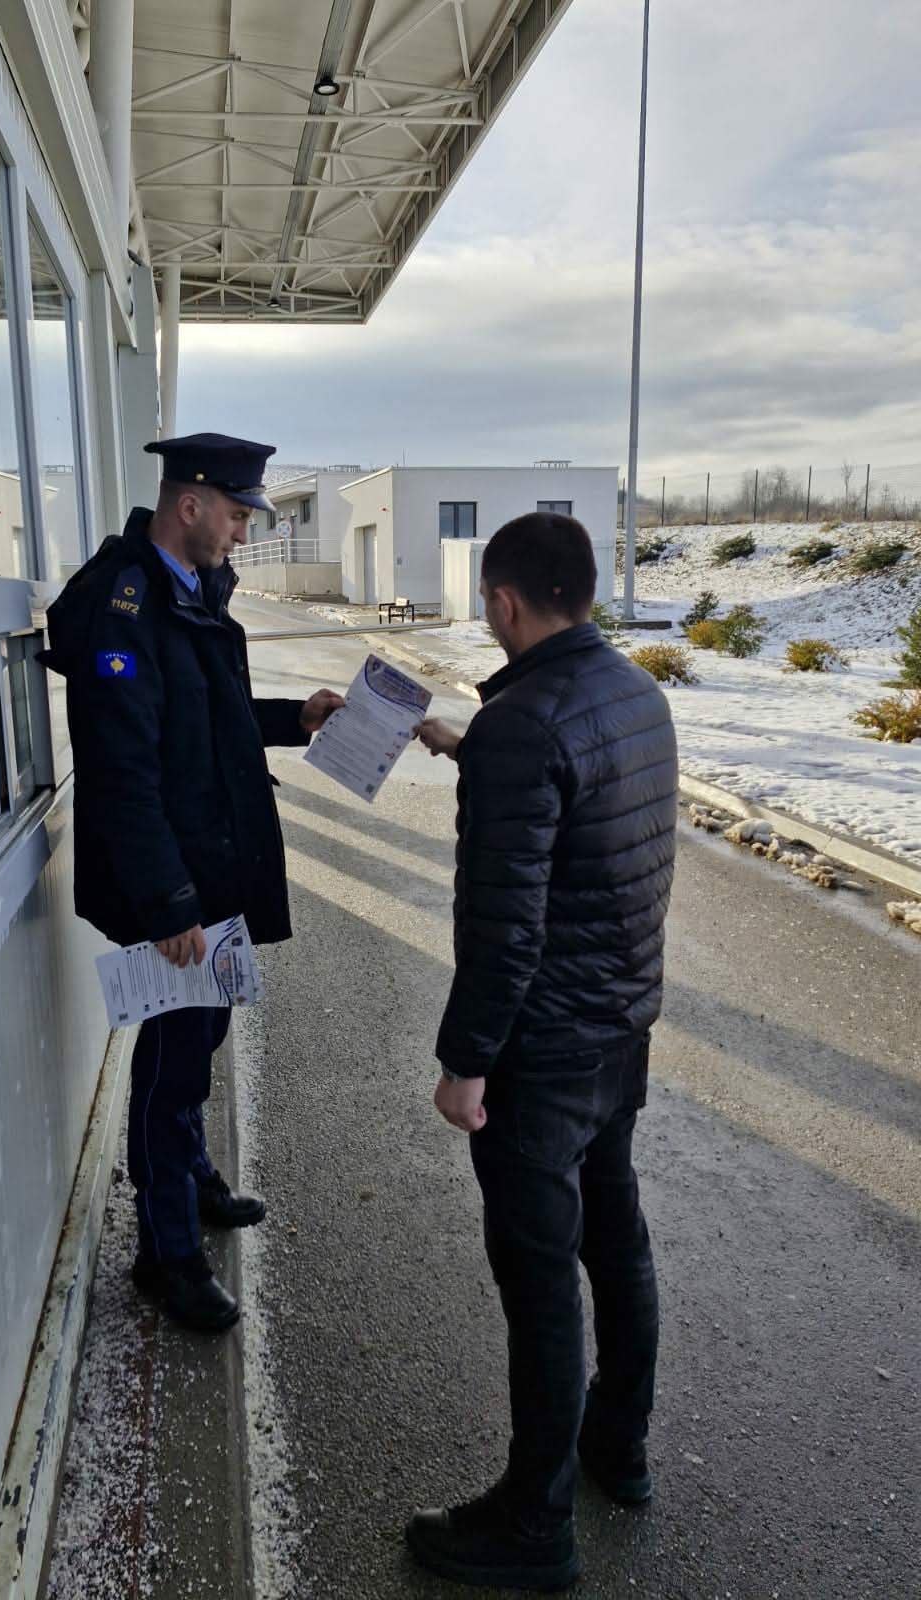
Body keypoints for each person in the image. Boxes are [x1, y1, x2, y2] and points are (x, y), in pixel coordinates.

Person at [407, 512, 677, 1592]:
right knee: (616, 1239)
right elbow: (580, 805)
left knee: (541, 1282)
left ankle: (534, 1525)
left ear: (505, 602)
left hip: (543, 1053)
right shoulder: (633, 692)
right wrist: (466, 744)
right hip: (618, 1031)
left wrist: (465, 1062)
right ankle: (620, 1445)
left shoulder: (525, 724)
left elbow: (505, 925)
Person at [40, 433, 343, 1333]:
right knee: (169, 1070)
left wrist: (297, 717)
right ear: (191, 505)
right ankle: (165, 1254)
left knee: (201, 1040)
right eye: (239, 515)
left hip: (207, 869)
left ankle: (194, 1178)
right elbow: (122, 771)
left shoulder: (189, 589)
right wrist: (170, 904)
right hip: (170, 886)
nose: (245, 532)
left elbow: (209, 715)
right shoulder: (125, 606)